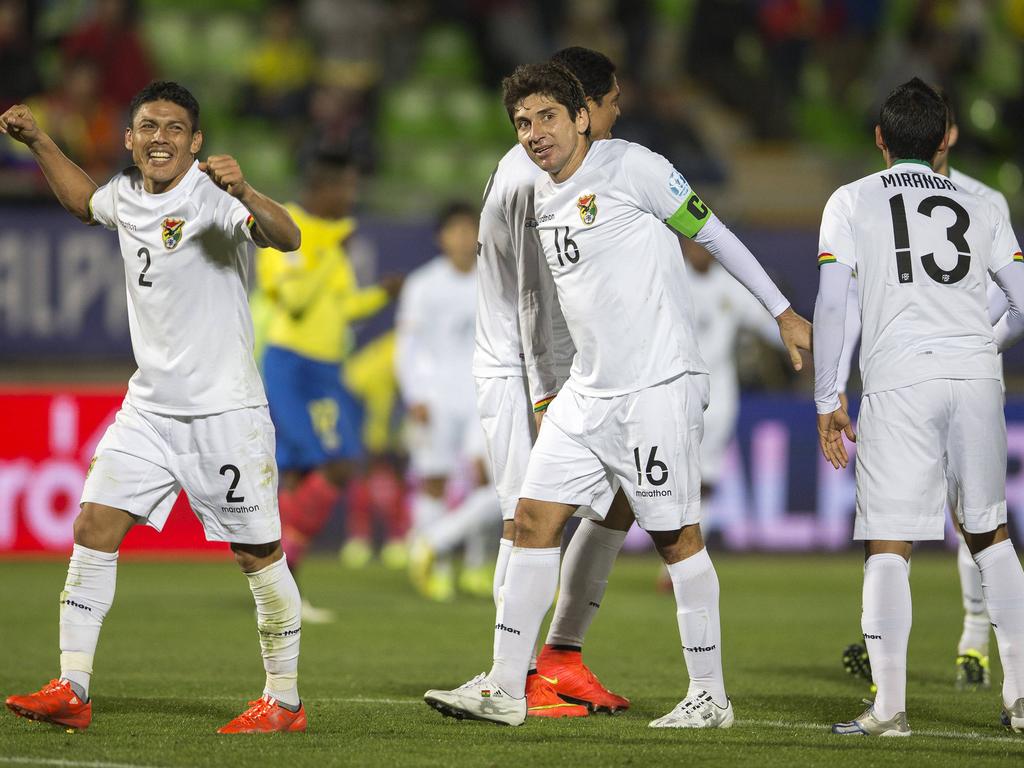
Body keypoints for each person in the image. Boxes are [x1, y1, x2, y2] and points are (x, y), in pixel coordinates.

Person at [424, 61, 811, 727]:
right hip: (588, 392)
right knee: (535, 519)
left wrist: (781, 310)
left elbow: (712, 232)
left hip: (657, 387)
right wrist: (549, 390)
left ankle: (709, 696)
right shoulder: (541, 195)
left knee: (677, 536)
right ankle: (507, 687)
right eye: (522, 122)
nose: (534, 132)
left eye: (547, 116)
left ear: (581, 117)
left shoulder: (636, 167)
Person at [1, 81, 306, 733]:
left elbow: (290, 238)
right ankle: (73, 686)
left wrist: (246, 192)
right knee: (92, 526)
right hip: (149, 409)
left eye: (174, 128)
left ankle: (283, 700)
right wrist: (39, 141)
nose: (160, 136)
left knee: (258, 555)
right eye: (148, 126)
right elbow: (86, 203)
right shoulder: (128, 197)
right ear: (130, 139)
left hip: (224, 413)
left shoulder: (212, 200)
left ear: (195, 143)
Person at [814, 77, 1024, 736]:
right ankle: (1020, 698)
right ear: (943, 142)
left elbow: (830, 304)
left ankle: (890, 708)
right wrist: (973, 346)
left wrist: (827, 398)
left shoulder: (850, 201)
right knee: (990, 537)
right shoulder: (981, 202)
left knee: (889, 546)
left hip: (900, 380)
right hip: (975, 379)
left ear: (880, 140)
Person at [463, 47, 633, 719]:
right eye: (614, 102)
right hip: (519, 366)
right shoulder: (532, 175)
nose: (620, 114)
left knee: (622, 496)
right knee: (525, 520)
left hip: (563, 365)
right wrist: (545, 392)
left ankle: (562, 656)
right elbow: (535, 299)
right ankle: (519, 672)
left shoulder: (561, 168)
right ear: (585, 109)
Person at [256, 149, 401, 623]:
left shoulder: (332, 243)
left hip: (326, 367)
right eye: (346, 189)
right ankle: (277, 574)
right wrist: (319, 248)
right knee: (331, 465)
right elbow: (295, 300)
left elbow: (342, 308)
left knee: (315, 471)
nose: (351, 198)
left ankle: (281, 583)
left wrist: (381, 293)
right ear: (322, 190)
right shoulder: (285, 226)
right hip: (289, 364)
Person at [397, 202, 501, 601]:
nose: (461, 238)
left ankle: (476, 564)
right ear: (442, 237)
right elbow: (409, 346)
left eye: (468, 229)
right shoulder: (423, 284)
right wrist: (415, 393)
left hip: (482, 394)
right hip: (436, 396)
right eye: (454, 230)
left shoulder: (493, 280)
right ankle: (435, 568)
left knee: (488, 478)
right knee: (435, 480)